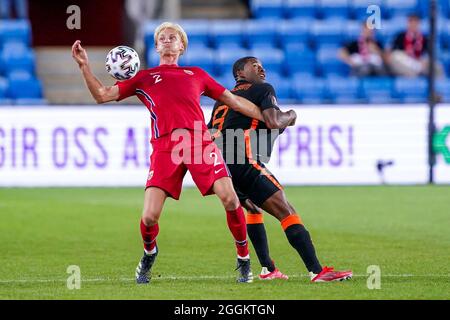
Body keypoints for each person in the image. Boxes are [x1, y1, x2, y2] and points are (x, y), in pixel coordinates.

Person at [71, 22, 265, 284]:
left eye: (172, 37)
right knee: (149, 216)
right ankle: (149, 252)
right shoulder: (143, 77)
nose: (166, 39)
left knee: (230, 199)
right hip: (165, 147)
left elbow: (233, 100)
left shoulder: (196, 73)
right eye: (161, 37)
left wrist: (265, 116)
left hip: (198, 143)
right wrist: (84, 66)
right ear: (156, 46)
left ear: (181, 46)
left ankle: (243, 259)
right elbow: (102, 95)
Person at [208, 56, 353, 282]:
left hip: (220, 165)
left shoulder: (221, 100)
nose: (261, 69)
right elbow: (274, 121)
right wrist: (292, 115)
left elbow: (215, 132)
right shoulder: (262, 89)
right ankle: (317, 271)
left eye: (262, 65)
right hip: (242, 160)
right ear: (241, 73)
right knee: (286, 211)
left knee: (254, 209)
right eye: (255, 65)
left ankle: (267, 268)